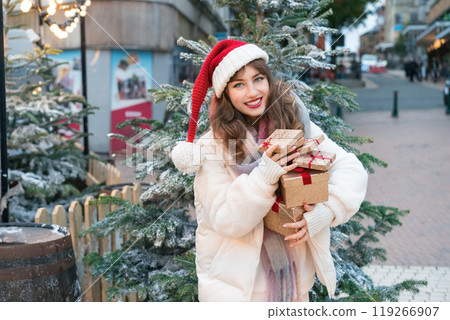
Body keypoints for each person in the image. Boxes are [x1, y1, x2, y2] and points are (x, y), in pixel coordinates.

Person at [171, 40, 368, 302]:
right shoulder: (212, 145)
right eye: (239, 84)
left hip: (295, 288)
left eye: (258, 79)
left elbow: (351, 168)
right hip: (239, 294)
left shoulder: (295, 125)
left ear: (269, 80)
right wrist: (266, 174)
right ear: (226, 94)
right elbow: (225, 219)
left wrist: (327, 210)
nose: (252, 92)